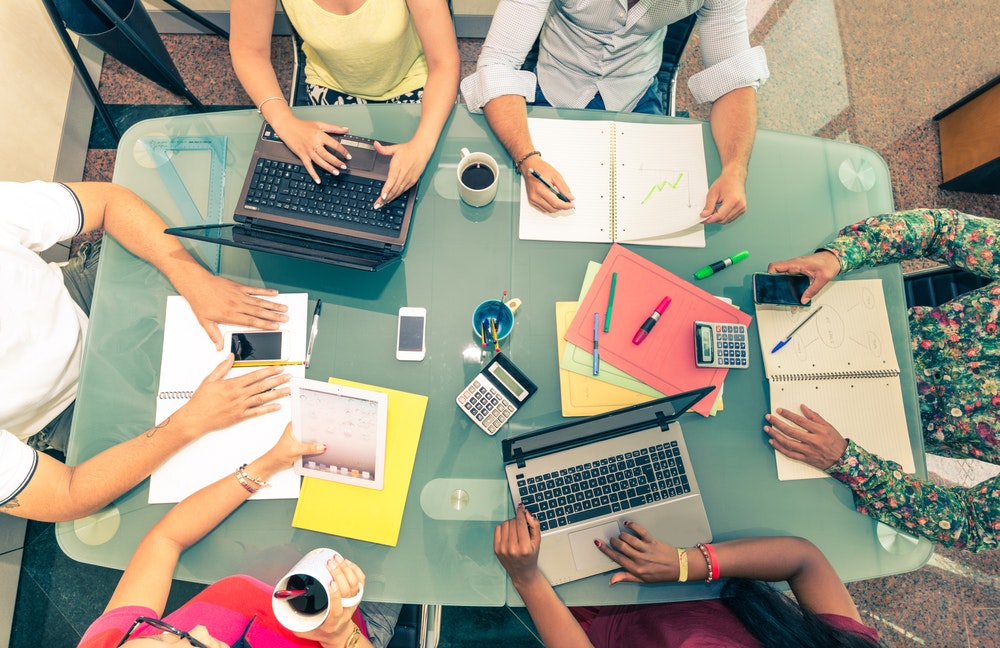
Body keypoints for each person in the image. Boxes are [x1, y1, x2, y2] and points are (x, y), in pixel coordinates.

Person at [0, 179, 291, 522]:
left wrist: (191, 276)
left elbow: (108, 202)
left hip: (87, 294)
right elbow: (65, 495)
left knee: (264, 299)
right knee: (236, 457)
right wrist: (188, 423)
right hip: (65, 409)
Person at [763, 208, 1000, 551]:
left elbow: (972, 523)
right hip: (841, 322)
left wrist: (850, 463)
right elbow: (940, 229)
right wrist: (838, 256)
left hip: (848, 436)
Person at [79, 424, 401, 648]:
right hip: (357, 619)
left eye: (159, 634)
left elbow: (165, 540)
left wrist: (264, 466)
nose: (198, 628)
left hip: (284, 566)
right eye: (191, 642)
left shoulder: (112, 643)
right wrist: (338, 633)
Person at [460, 0, 769, 221]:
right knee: (522, 212)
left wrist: (734, 169)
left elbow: (734, 77)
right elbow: (498, 63)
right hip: (554, 80)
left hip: (636, 88)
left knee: (646, 220)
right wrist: (527, 157)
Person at [494, 505, 880, 647]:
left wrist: (527, 580)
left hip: (584, 619)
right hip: (677, 562)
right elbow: (804, 560)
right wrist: (682, 564)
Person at [230, 0, 459, 208]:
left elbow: (444, 62)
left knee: (422, 198)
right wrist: (284, 120)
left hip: (413, 80)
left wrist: (422, 145)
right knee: (326, 202)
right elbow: (248, 50)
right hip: (331, 84)